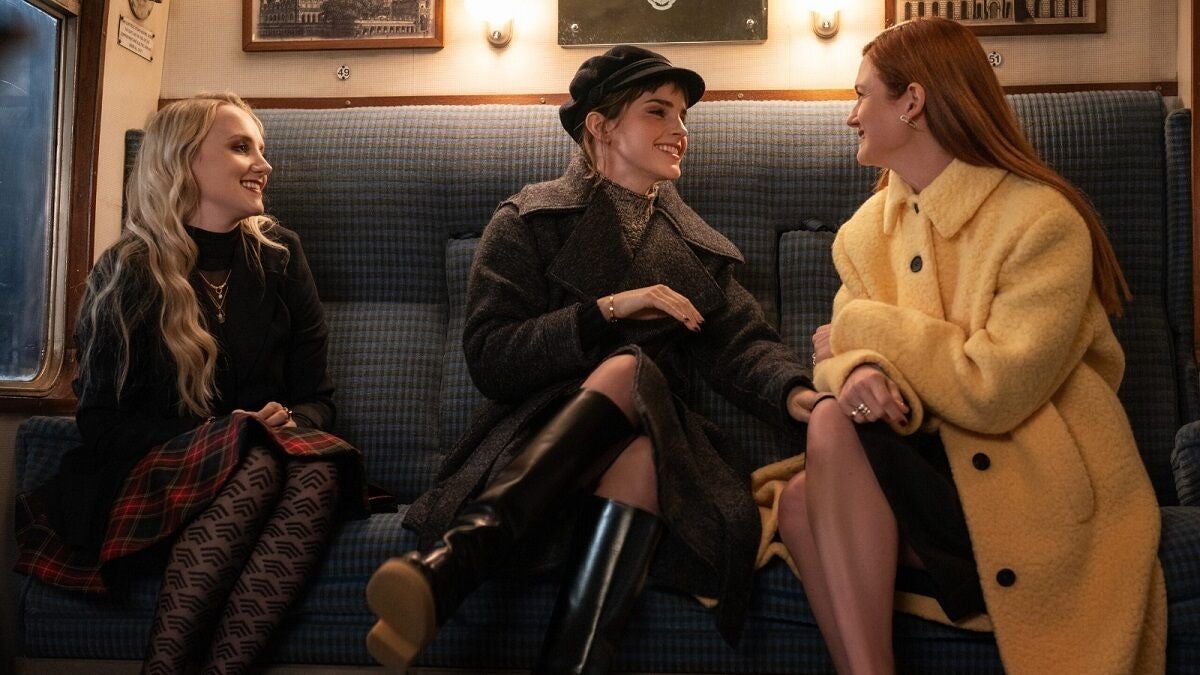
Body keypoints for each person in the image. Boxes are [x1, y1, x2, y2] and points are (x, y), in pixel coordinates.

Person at [365, 45, 822, 673]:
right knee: (629, 380)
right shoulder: (528, 220)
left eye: (683, 115)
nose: (680, 130)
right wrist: (605, 310)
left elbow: (745, 346)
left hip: (660, 446)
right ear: (601, 126)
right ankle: (474, 569)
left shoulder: (699, 250)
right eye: (657, 111)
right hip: (534, 445)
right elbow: (491, 358)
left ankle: (449, 571)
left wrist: (801, 394)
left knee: (640, 422)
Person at [757, 17, 1166, 674]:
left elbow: (995, 389)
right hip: (930, 468)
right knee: (807, 483)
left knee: (818, 469)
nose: (851, 115)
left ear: (912, 102)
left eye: (862, 95)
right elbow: (830, 360)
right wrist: (857, 371)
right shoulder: (864, 233)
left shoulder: (1042, 222)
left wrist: (864, 333)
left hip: (1027, 484)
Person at [14, 92, 365, 675]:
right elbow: (100, 423)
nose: (264, 164)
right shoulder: (127, 270)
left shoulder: (280, 255)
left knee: (319, 467)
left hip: (269, 461)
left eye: (261, 148)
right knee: (256, 459)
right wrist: (220, 434)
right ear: (184, 160)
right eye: (241, 147)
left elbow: (318, 401)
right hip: (154, 475)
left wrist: (284, 421)